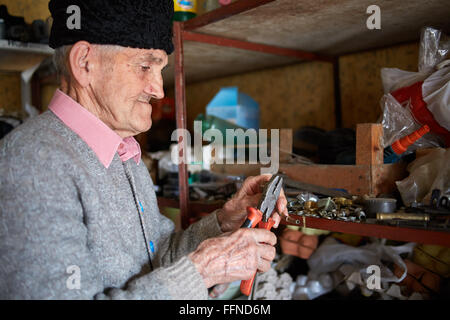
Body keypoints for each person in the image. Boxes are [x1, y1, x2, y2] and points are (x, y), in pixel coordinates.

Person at [0, 0, 287, 299]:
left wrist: (224, 222)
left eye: (160, 69)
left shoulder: (125, 151)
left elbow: (157, 259)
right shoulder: (31, 161)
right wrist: (201, 271)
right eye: (145, 66)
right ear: (85, 62)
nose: (159, 89)